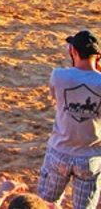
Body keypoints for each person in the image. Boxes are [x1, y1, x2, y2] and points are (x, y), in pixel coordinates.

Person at [37, 30, 101, 209]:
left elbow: (56, 98)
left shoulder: (59, 76)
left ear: (73, 51)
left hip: (60, 151)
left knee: (44, 203)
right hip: (90, 157)